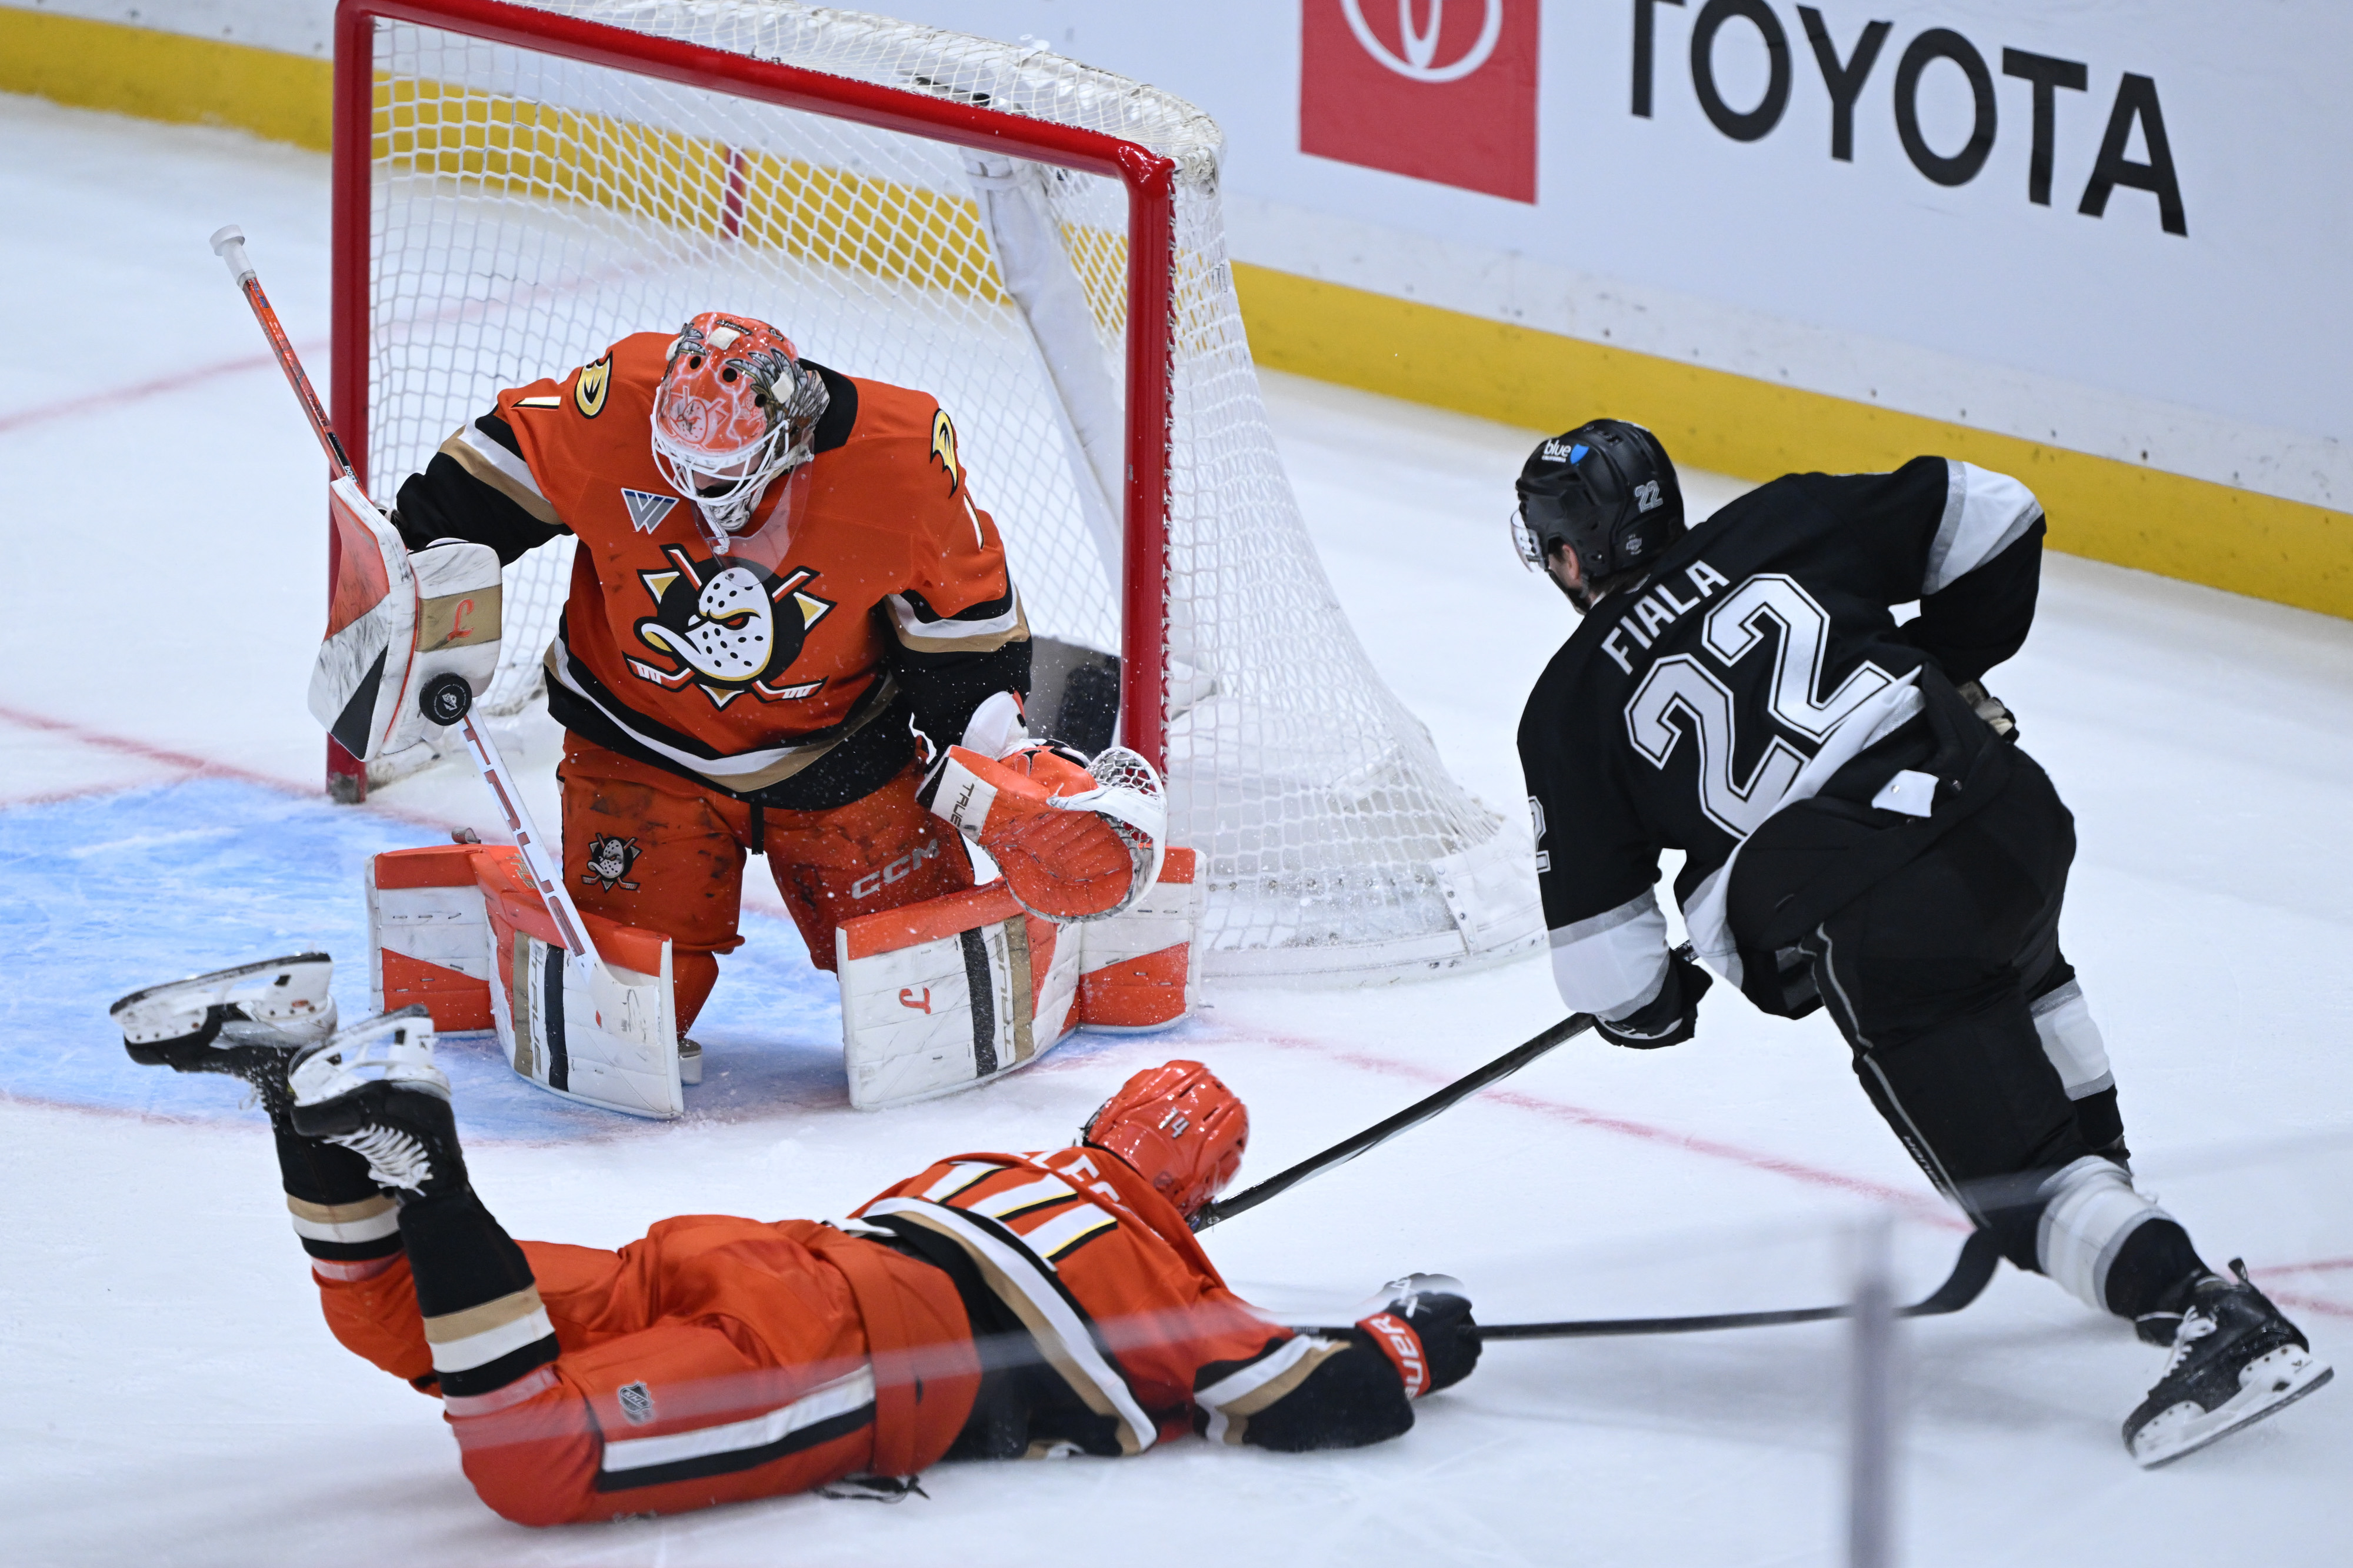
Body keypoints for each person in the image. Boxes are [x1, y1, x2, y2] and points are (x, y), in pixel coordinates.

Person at [1508, 419, 2330, 1467]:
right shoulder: (1781, 516)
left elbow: (1609, 975)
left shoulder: (1567, 706)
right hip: (2005, 810)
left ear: (1571, 553)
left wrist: (1659, 1001)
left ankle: (2200, 1307)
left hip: (1882, 915)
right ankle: (2120, 1197)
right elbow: (1997, 513)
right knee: (2021, 968)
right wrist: (1932, 670)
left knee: (2014, 1181)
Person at [111, 955, 1479, 1525]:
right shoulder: (1168, 1281)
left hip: (747, 1255)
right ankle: (415, 1140)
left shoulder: (995, 1164)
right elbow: (1314, 1397)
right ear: (1193, 1200)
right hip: (826, 1352)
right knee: (531, 1454)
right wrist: (1412, 1331)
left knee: (393, 1313)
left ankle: (296, 1081)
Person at [387, 312, 1149, 1041]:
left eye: (713, 476)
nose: (687, 486)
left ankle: (1062, 940)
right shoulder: (616, 399)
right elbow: (492, 476)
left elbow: (960, 630)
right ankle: (496, 897)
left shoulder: (897, 456)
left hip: (837, 758)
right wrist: (411, 551)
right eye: (672, 463)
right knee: (630, 1001)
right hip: (640, 743)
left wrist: (1003, 750)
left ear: (787, 440)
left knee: (930, 988)